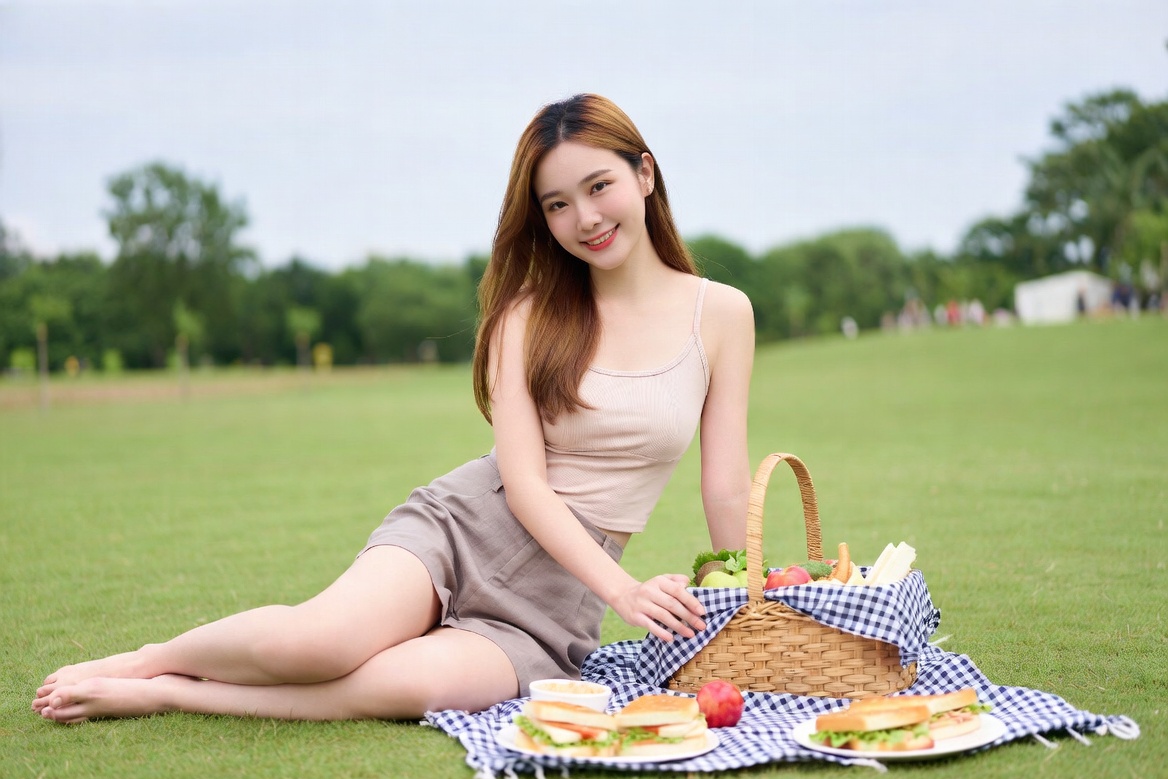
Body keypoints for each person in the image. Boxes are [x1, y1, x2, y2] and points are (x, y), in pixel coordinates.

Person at [32, 93, 755, 724]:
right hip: (469, 526)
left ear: (645, 173)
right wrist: (626, 591)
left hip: (554, 603)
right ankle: (151, 659)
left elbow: (724, 482)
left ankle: (173, 695)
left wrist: (745, 604)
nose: (584, 218)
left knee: (399, 687)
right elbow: (528, 486)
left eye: (599, 186)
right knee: (317, 644)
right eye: (557, 204)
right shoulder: (526, 317)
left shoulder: (721, 314)